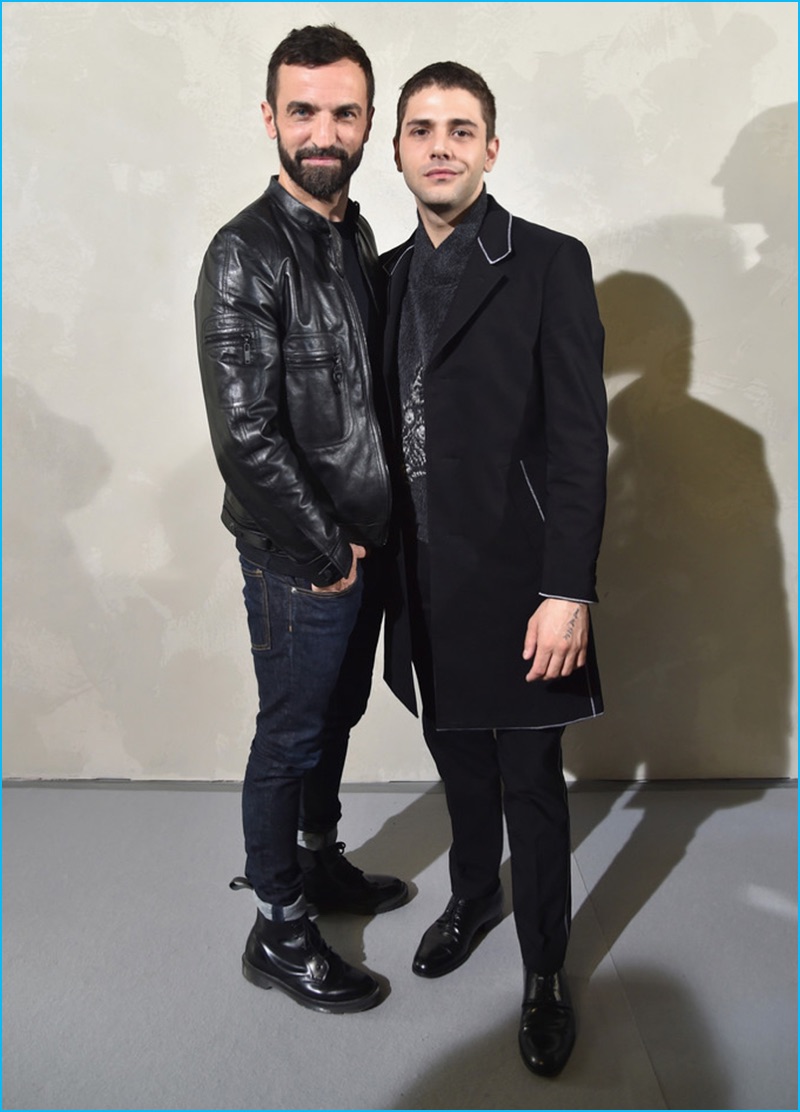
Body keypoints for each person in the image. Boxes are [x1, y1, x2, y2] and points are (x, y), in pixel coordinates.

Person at [381, 62, 607, 1073]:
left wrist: (567, 588)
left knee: (529, 779)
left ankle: (545, 968)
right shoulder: (377, 275)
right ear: (396, 148)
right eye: (421, 128)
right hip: (417, 580)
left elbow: (575, 440)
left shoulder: (549, 262)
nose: (440, 144)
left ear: (489, 149)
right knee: (456, 759)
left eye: (459, 129)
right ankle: (473, 892)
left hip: (518, 578)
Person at [194, 25, 408, 1015]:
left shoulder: (354, 230)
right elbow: (245, 434)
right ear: (270, 118)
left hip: (361, 546)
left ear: (367, 120)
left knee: (337, 716)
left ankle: (318, 861)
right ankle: (277, 924)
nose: (324, 130)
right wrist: (328, 549)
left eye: (344, 111)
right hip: (302, 555)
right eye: (303, 109)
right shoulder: (244, 252)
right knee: (289, 734)